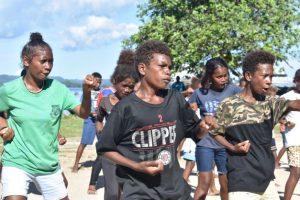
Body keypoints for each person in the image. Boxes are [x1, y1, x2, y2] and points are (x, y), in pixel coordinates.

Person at [97, 40, 215, 199]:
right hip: (140, 192)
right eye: (162, 66)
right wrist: (137, 166)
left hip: (176, 191)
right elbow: (104, 149)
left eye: (170, 67)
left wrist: (203, 126)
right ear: (142, 68)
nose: (168, 72)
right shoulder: (125, 108)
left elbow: (196, 133)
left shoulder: (175, 100)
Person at [0, 32, 95, 200]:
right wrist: (3, 127)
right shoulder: (10, 90)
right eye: (43, 61)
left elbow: (83, 113)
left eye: (51, 61)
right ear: (27, 61)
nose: (48, 66)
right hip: (17, 161)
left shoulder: (58, 89)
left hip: (47, 164)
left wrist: (86, 92)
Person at [211, 50, 300, 200]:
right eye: (265, 76)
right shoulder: (229, 105)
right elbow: (215, 133)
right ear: (248, 76)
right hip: (241, 181)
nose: (269, 81)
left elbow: (295, 104)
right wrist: (232, 147)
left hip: (267, 182)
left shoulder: (271, 103)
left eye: (271, 76)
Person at [87, 49, 138, 197]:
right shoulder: (105, 101)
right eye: (124, 86)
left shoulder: (135, 102)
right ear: (115, 83)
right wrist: (100, 130)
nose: (127, 90)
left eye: (131, 87)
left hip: (130, 151)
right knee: (112, 192)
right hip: (110, 151)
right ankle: (92, 182)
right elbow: (98, 118)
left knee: (126, 192)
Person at [189, 57, 241, 200]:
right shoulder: (200, 93)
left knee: (226, 185)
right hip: (205, 144)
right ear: (210, 76)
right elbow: (187, 114)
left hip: (226, 144)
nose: (223, 79)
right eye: (219, 76)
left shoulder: (234, 90)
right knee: (203, 185)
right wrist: (194, 115)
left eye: (225, 75)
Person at [72, 72, 103, 172]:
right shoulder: (87, 92)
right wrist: (90, 113)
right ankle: (76, 164)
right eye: (96, 81)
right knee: (83, 143)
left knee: (102, 143)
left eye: (99, 82)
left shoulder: (102, 92)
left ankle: (101, 163)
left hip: (100, 120)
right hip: (89, 120)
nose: (97, 84)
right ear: (92, 80)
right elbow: (83, 107)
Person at [281, 69, 300, 200]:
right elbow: (277, 116)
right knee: (296, 172)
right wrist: (286, 122)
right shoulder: (287, 97)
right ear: (296, 81)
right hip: (294, 139)